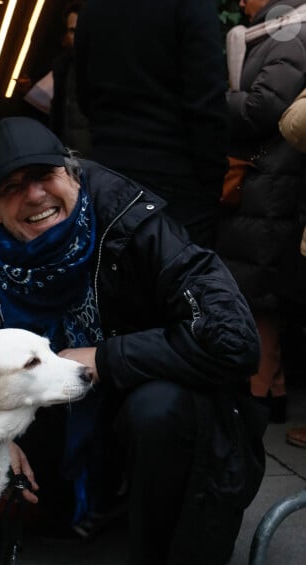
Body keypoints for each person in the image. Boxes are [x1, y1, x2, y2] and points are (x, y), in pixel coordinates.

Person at [0, 116, 267, 565]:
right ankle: (86, 503)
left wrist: (105, 357)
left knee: (159, 407)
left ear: (72, 175)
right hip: (66, 420)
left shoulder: (134, 223)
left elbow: (234, 338)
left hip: (158, 416)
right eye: (12, 189)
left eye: (44, 176)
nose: (34, 196)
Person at [215, 0, 306, 424]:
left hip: (273, 181)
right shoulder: (273, 33)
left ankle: (259, 392)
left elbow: (262, 108)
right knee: (259, 289)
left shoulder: (290, 32)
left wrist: (216, 98)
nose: (239, 2)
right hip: (266, 178)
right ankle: (271, 389)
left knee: (259, 292)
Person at [74, 0, 228, 248]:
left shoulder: (93, 8)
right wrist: (212, 179)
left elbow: (84, 94)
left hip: (108, 171)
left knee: (110, 279)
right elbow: (207, 101)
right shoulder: (190, 6)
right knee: (183, 281)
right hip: (177, 180)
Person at [49, 2, 91, 155]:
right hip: (68, 154)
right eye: (72, 31)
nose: (77, 35)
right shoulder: (62, 66)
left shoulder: (104, 65)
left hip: (97, 157)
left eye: (81, 29)